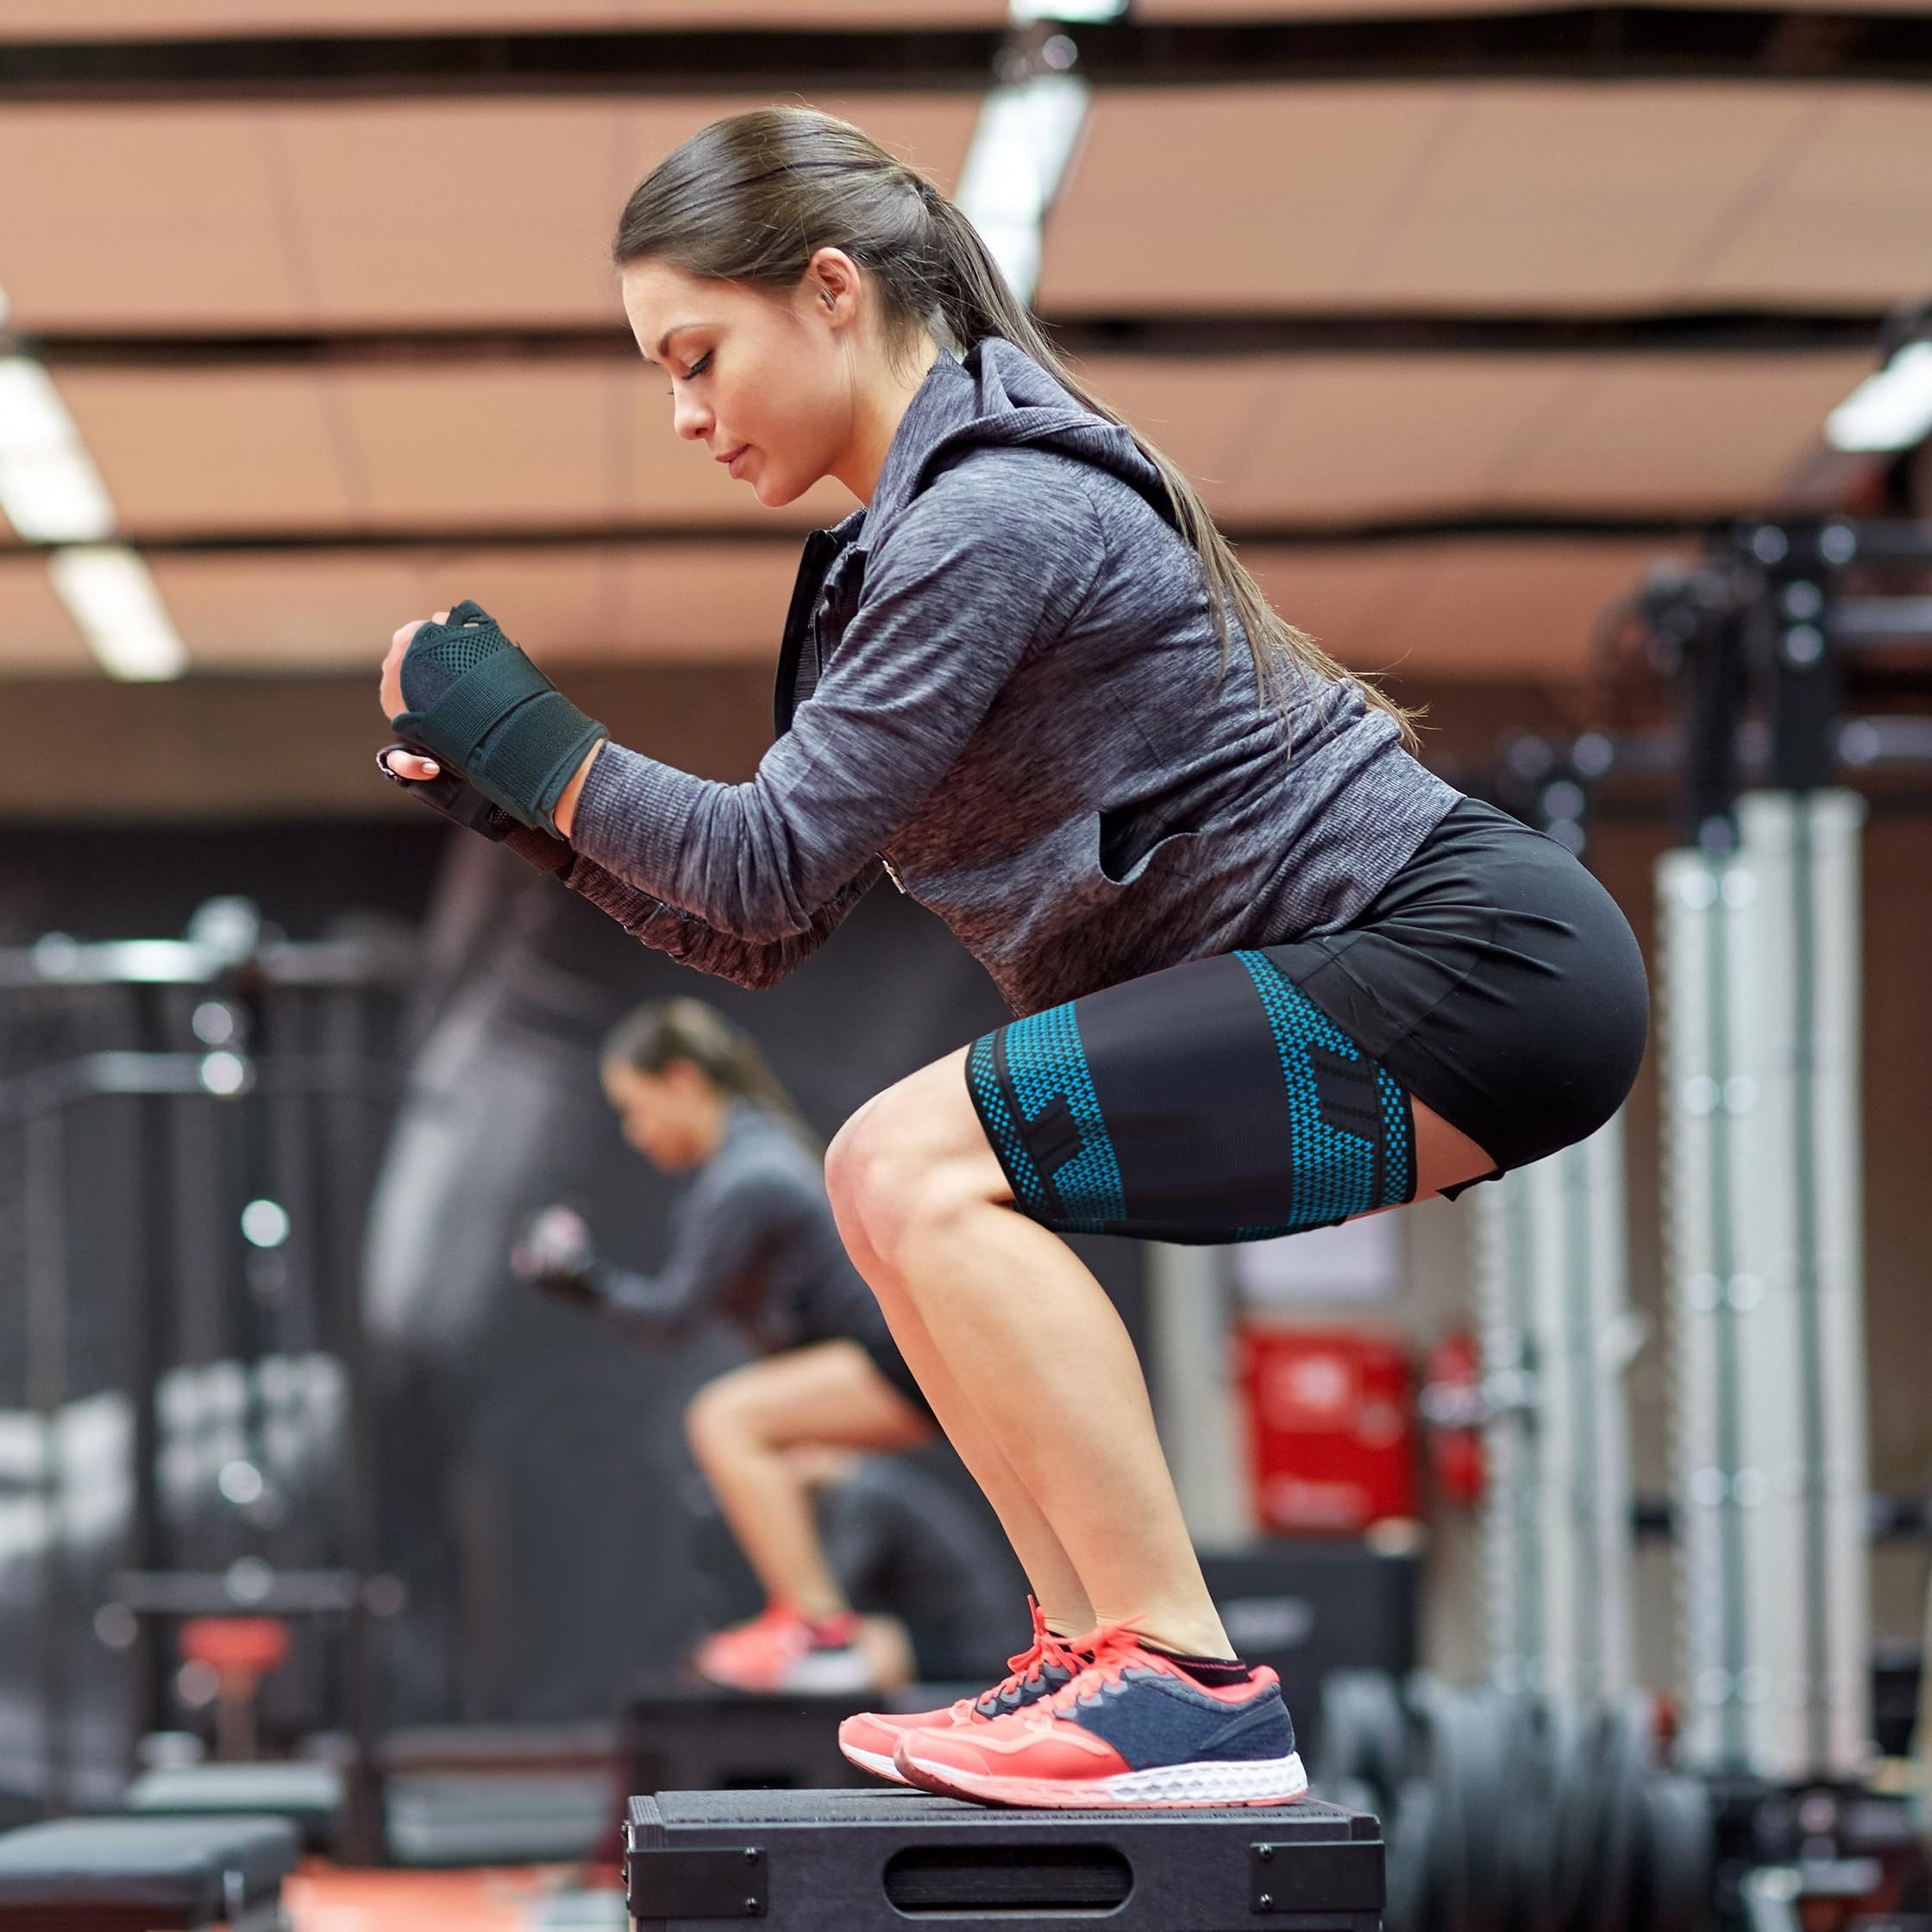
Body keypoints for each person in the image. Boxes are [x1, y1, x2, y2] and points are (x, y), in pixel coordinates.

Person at [375, 104, 1649, 1809]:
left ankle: (1179, 1681)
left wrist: (534, 739)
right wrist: (528, 817)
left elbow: (754, 859)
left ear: (829, 291)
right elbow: (762, 925)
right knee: (893, 1186)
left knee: (904, 1158)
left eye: (697, 356)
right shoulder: (891, 543)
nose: (681, 416)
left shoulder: (993, 512)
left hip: (1472, 956)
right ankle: (1092, 1647)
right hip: (1424, 977)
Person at [511, 996, 937, 1694]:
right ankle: (817, 1630)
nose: (635, 1131)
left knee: (725, 1419)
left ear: (681, 1080)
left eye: (636, 1106)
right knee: (774, 1458)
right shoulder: (750, 1155)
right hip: (881, 1360)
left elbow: (670, 1318)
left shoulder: (748, 1177)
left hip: (895, 1364)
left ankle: (822, 1633)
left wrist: (579, 1279)